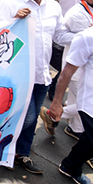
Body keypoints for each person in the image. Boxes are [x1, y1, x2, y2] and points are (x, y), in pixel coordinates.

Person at [0, 0, 74, 174]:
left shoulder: (53, 6)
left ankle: (22, 154)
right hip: (16, 75)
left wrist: (84, 36)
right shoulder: (10, 4)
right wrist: (13, 21)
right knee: (26, 118)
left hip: (41, 74)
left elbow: (59, 36)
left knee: (30, 119)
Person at [47, 24, 93, 184]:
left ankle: (70, 166)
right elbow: (67, 71)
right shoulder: (87, 37)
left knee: (89, 140)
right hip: (89, 103)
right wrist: (56, 103)